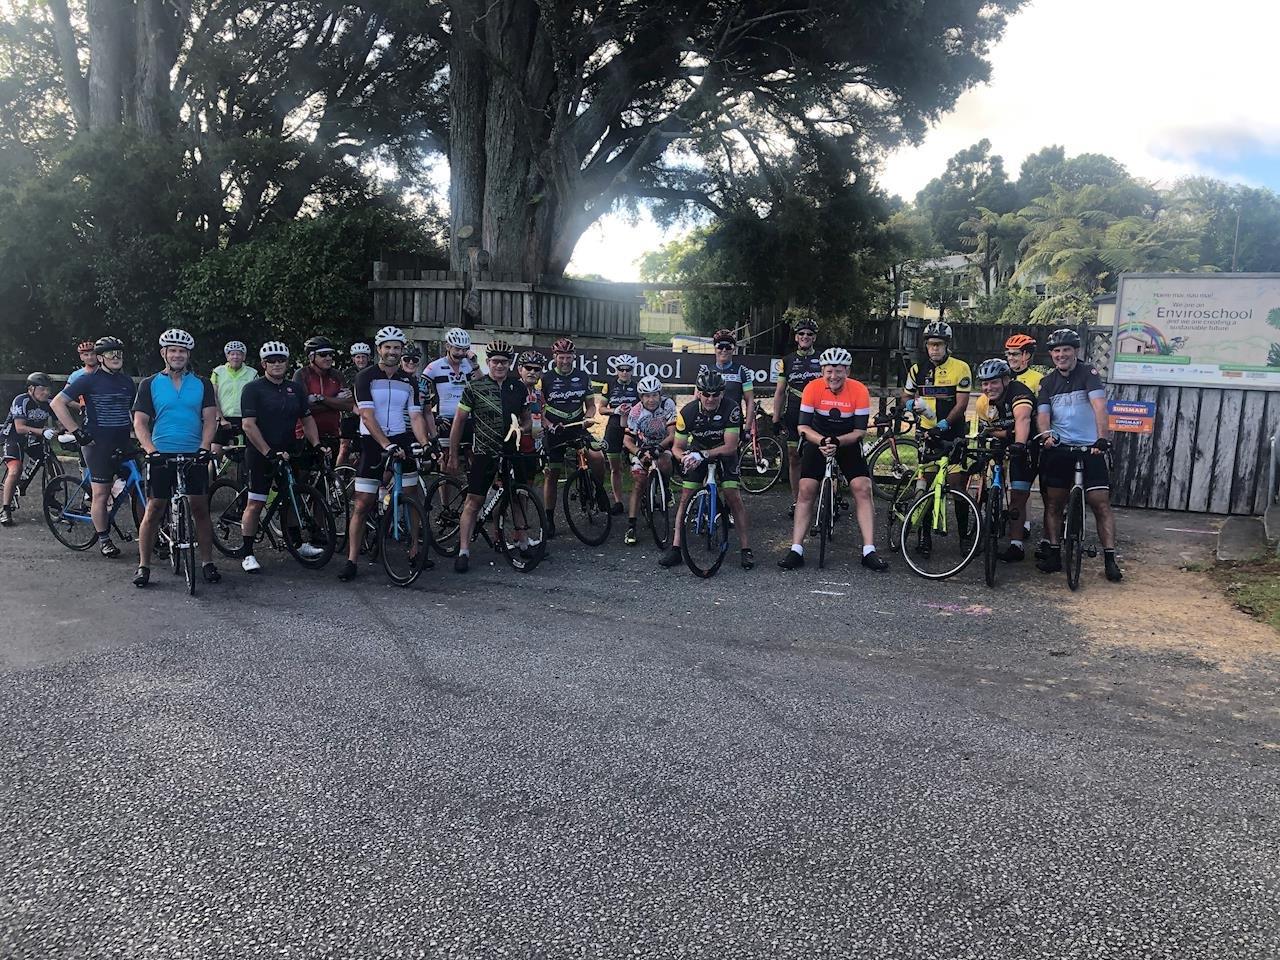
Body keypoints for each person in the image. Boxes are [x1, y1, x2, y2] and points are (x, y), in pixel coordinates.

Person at [337, 325, 436, 582]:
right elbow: (367, 416)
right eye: (388, 347)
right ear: (379, 349)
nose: (392, 352)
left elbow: (416, 416)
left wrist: (425, 442)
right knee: (362, 503)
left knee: (412, 495)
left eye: (397, 347)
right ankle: (352, 560)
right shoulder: (365, 377)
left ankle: (415, 550)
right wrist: (385, 444)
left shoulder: (409, 380)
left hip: (401, 438)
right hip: (372, 441)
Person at [777, 348, 887, 572]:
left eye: (838, 371)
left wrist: (837, 442)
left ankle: (869, 550)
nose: (833, 376)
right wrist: (822, 441)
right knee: (806, 489)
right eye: (829, 371)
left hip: (847, 441)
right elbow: (803, 426)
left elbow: (859, 432)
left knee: (863, 487)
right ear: (822, 371)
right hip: (817, 439)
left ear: (847, 371)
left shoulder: (859, 390)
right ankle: (796, 549)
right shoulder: (812, 388)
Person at [131, 329, 220, 588]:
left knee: (200, 508)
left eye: (182, 351)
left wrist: (204, 447)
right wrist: (150, 450)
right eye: (173, 350)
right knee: (154, 509)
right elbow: (140, 422)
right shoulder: (149, 384)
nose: (177, 355)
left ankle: (207, 562)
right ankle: (143, 565)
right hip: (162, 452)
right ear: (164, 353)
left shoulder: (202, 384)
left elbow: (210, 419)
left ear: (188, 355)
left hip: (194, 452)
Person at [1035, 328, 1123, 582]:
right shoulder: (1047, 382)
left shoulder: (1088, 373)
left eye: (1066, 350)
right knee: (1054, 503)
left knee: (1100, 503)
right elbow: (1043, 415)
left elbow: (1099, 406)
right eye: (1056, 351)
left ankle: (1110, 559)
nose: (1061, 355)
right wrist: (1046, 436)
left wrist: (1102, 438)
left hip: (1090, 448)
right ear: (1051, 354)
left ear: (1076, 351)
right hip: (1060, 448)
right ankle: (1054, 552)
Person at [447, 340, 535, 573]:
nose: (500, 365)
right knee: (474, 501)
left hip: (512, 452)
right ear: (488, 362)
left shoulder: (518, 387)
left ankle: (523, 542)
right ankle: (463, 551)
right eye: (495, 361)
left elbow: (527, 418)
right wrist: (453, 454)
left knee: (518, 497)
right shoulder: (475, 387)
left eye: (504, 362)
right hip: (484, 452)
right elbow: (459, 422)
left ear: (510, 364)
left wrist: (523, 428)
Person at [239, 342, 326, 573]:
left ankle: (297, 543)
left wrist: (316, 444)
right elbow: (248, 425)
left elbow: (307, 419)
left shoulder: (295, 389)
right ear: (263, 364)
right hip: (260, 453)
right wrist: (268, 452)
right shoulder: (253, 389)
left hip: (288, 451)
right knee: (256, 502)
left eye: (281, 360)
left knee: (292, 497)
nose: (276, 364)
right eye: (271, 361)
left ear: (287, 363)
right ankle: (247, 552)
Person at [658, 368, 754, 570]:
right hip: (698, 449)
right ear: (699, 393)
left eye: (715, 394)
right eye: (706, 394)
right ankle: (676, 548)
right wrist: (684, 457)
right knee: (686, 496)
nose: (710, 399)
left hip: (723, 451)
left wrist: (704, 455)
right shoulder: (688, 412)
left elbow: (730, 446)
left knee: (732, 495)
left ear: (722, 393)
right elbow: (677, 447)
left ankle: (746, 549)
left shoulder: (731, 408)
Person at [48, 337, 136, 556]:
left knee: (138, 486)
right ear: (100, 358)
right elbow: (57, 403)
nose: (116, 357)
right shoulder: (88, 380)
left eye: (119, 353)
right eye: (110, 353)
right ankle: (104, 539)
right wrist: (77, 433)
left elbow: (131, 412)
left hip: (122, 441)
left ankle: (150, 536)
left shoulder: (127, 382)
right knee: (101, 493)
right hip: (97, 443)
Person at [539, 337, 609, 537]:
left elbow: (591, 406)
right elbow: (539, 410)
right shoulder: (545, 379)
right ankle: (549, 518)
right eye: (561, 357)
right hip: (555, 430)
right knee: (552, 473)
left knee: (597, 457)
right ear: (554, 357)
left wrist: (588, 418)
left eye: (568, 357)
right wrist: (549, 425)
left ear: (574, 357)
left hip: (577, 426)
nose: (565, 361)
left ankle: (599, 491)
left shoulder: (583, 376)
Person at [971, 358, 1036, 562]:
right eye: (985, 383)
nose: (988, 388)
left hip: (1026, 442)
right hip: (1002, 439)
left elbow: (1023, 419)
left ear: (1006, 380)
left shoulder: (1019, 392)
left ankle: (1016, 544)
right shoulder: (982, 402)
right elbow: (988, 430)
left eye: (994, 382)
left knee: (1018, 495)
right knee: (987, 477)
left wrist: (1019, 443)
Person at [902, 319, 972, 497]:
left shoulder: (961, 368)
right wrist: (910, 405)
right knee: (925, 484)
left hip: (952, 431)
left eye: (939, 344)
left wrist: (945, 423)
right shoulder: (917, 369)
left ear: (947, 345)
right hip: (927, 432)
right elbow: (906, 395)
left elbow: (962, 404)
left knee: (956, 485)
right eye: (931, 344)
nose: (934, 349)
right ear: (926, 345)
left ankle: (963, 517)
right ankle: (922, 516)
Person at [771, 316, 822, 511]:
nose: (805, 336)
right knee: (794, 456)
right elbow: (780, 391)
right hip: (794, 412)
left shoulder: (823, 359)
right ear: (796, 337)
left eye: (809, 334)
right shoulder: (787, 360)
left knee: (818, 455)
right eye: (801, 333)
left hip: (818, 413)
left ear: (814, 337)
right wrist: (776, 418)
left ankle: (821, 499)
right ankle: (797, 501)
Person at [1004, 332, 1046, 553]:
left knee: (1026, 487)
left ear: (1027, 355)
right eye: (1008, 354)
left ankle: (1028, 525)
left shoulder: (1037, 379)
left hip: (1029, 439)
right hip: (1006, 436)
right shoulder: (1002, 376)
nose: (1010, 358)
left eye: (1015, 354)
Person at [622, 375, 675, 545]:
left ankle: (666, 487)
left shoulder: (668, 404)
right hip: (642, 449)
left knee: (665, 462)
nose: (651, 400)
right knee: (639, 483)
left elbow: (672, 434)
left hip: (662, 445)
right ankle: (631, 526)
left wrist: (659, 448)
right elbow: (627, 440)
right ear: (641, 397)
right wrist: (639, 453)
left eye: (654, 395)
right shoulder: (635, 411)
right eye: (646, 396)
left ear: (660, 394)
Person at [0, 373, 55, 527]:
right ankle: (6, 509)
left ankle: (51, 497)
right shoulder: (21, 400)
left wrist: (67, 432)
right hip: (13, 438)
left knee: (50, 460)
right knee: (15, 469)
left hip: (33, 439)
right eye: (42, 389)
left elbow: (61, 421)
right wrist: (43, 431)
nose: (46, 392)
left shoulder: (49, 403)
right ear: (31, 389)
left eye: (48, 389)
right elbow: (20, 428)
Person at [424, 328, 481, 465]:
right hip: (445, 420)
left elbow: (482, 385)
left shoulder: (469, 365)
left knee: (472, 457)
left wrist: (475, 364)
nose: (461, 353)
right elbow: (420, 392)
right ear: (448, 346)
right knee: (446, 459)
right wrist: (432, 418)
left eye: (464, 350)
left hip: (467, 418)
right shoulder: (434, 367)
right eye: (457, 349)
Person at [293, 335, 352, 454]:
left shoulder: (337, 375)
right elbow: (303, 408)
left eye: (330, 354)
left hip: (332, 434)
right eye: (323, 354)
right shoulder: (301, 374)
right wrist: (335, 402)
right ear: (311, 357)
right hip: (305, 435)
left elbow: (348, 405)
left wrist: (321, 398)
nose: (328, 358)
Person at [601, 354, 640, 515]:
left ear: (632, 370)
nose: (624, 372)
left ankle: (640, 498)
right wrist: (615, 410)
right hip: (614, 428)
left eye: (628, 369)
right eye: (621, 369)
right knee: (615, 468)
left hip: (633, 429)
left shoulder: (638, 386)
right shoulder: (609, 385)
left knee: (638, 467)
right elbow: (601, 409)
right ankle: (618, 502)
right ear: (616, 369)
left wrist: (634, 411)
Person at [704, 328, 755, 443]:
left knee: (730, 452)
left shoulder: (742, 371)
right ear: (715, 348)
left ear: (733, 349)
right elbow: (696, 398)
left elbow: (750, 401)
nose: (724, 350)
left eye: (728, 347)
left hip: (733, 422)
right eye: (720, 346)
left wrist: (747, 428)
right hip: (710, 422)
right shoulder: (705, 370)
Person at [210, 340, 256, 455]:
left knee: (248, 453)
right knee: (215, 452)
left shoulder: (252, 373)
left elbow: (256, 398)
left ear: (244, 357)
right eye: (232, 354)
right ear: (227, 356)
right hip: (223, 417)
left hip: (245, 418)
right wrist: (221, 419)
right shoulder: (218, 372)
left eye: (239, 354)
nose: (235, 357)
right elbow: (213, 396)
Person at [338, 342, 372, 465]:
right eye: (358, 357)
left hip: (367, 413)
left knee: (366, 446)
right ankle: (338, 473)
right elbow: (345, 393)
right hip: (350, 414)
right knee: (344, 447)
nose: (361, 360)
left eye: (363, 357)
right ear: (353, 359)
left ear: (368, 358)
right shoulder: (347, 373)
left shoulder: (373, 372)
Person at [516, 350, 546, 463]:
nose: (532, 372)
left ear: (541, 373)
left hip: (533, 446)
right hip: (514, 446)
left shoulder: (539, 394)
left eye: (537, 369)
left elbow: (542, 417)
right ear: (520, 369)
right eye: (528, 368)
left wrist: (545, 427)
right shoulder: (512, 390)